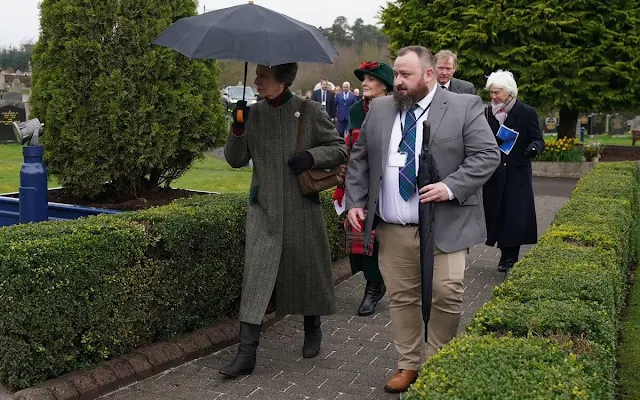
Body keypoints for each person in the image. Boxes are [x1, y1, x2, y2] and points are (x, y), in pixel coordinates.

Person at [345, 46, 500, 393]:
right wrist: (355, 200)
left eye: (405, 75)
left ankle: (438, 362)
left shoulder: (464, 106)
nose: (397, 82)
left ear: (429, 75)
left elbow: (487, 155)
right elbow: (361, 160)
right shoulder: (382, 109)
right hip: (394, 227)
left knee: (446, 293)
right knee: (402, 297)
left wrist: (450, 186)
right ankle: (408, 363)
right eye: (396, 74)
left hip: (445, 225)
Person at [222, 63, 347, 378]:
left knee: (306, 272)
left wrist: (311, 157)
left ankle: (312, 327)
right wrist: (237, 128)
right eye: (257, 75)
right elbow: (235, 160)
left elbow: (339, 148)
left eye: (262, 76)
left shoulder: (310, 110)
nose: (256, 81)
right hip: (263, 210)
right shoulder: (254, 114)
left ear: (281, 81)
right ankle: (246, 353)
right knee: (256, 278)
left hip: (301, 206)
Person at [333, 61, 394, 317]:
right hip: (359, 181)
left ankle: (376, 286)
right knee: (360, 235)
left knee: (385, 237)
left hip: (388, 182)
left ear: (385, 85)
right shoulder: (357, 109)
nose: (365, 83)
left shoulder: (397, 108)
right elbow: (350, 145)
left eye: (371, 79)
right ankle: (373, 283)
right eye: (364, 79)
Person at [482, 70, 544, 275]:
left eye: (497, 93)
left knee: (514, 217)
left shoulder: (526, 112)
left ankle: (511, 258)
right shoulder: (486, 113)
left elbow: (538, 138)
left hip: (517, 173)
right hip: (494, 173)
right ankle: (504, 252)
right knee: (497, 213)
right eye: (491, 93)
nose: (493, 97)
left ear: (509, 92)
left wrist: (534, 147)